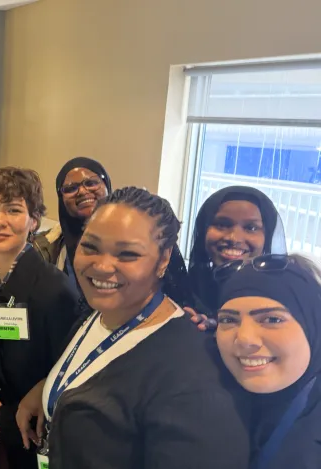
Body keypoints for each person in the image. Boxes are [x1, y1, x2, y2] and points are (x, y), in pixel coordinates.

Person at [22, 187, 248, 469]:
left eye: (127, 254)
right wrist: (45, 390)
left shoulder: (193, 375)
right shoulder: (96, 315)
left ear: (163, 260)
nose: (102, 266)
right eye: (90, 247)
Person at [0, 167, 78, 469]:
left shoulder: (55, 290)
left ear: (34, 220)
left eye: (13, 210)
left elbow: (67, 386)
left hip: (28, 445)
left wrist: (3, 418)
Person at [216, 254, 321, 469]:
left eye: (272, 319)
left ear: (313, 325)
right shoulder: (206, 387)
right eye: (228, 319)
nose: (244, 339)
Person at [187, 186, 286, 314]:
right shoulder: (184, 290)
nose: (234, 238)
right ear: (203, 230)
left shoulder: (280, 297)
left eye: (251, 228)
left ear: (267, 237)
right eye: (222, 225)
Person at [34, 157, 111, 275]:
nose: (82, 191)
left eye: (91, 183)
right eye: (71, 188)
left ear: (107, 186)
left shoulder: (133, 239)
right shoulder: (43, 248)